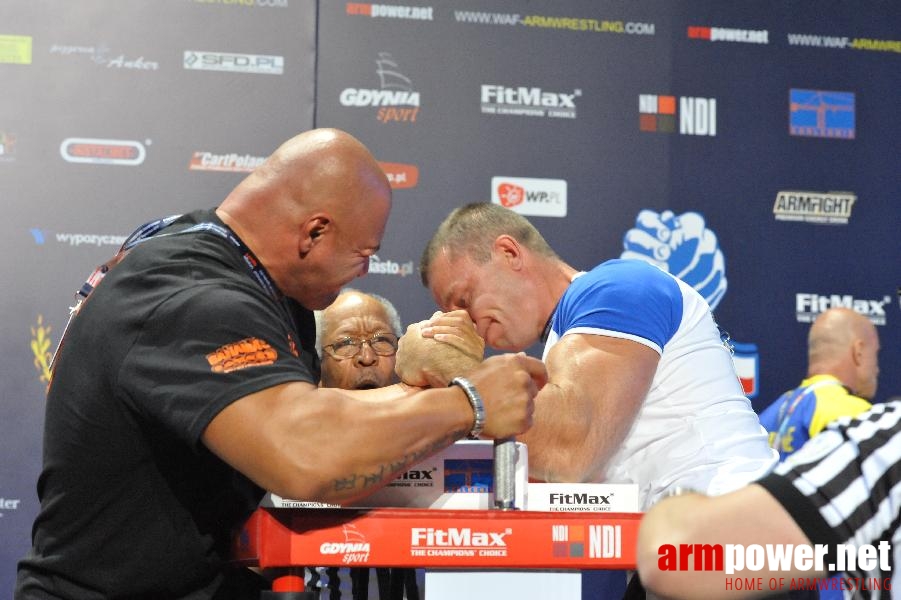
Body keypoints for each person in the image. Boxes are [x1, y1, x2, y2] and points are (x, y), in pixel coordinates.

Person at [15, 130, 545, 599]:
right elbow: (307, 456)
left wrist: (417, 389)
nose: (363, 272)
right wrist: (468, 403)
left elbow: (333, 455)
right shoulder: (193, 296)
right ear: (313, 233)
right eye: (363, 254)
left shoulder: (233, 273)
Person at [401, 202, 778, 510]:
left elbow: (570, 452)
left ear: (509, 252)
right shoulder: (560, 350)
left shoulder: (618, 288)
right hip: (684, 549)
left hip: (734, 532)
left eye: (464, 300)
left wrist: (450, 366)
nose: (463, 322)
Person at [636, 397, 901, 600]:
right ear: (858, 352)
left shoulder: (786, 405)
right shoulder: (841, 407)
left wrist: (677, 502)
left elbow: (677, 554)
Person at [310, 288, 420, 600]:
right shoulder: (292, 447)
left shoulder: (438, 434)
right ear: (316, 363)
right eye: (345, 343)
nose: (367, 357)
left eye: (382, 341)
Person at [759, 307, 879, 460]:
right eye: (875, 354)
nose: (877, 369)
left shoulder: (770, 414)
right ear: (859, 351)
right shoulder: (853, 413)